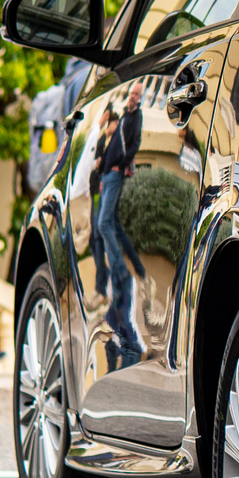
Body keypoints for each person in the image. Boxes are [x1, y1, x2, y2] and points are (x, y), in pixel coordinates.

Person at [88, 83, 150, 369]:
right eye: (133, 94)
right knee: (111, 224)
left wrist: (119, 165)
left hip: (114, 174)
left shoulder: (132, 119)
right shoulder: (125, 117)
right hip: (108, 174)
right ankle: (134, 268)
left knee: (103, 223)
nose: (134, 97)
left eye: (138, 94)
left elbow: (132, 144)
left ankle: (124, 271)